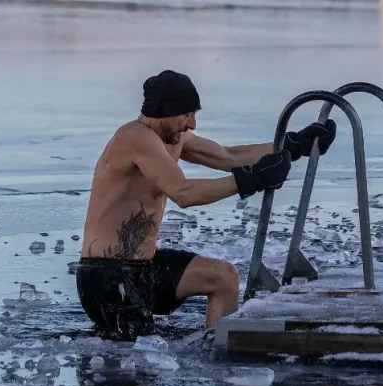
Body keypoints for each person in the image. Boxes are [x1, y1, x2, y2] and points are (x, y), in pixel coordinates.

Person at [76, 70, 337, 339]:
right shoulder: (134, 137)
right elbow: (184, 192)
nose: (192, 124)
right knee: (139, 349)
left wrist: (293, 145)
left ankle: (217, 351)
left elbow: (229, 156)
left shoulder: (174, 138)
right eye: (187, 115)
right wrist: (252, 179)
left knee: (223, 277)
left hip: (147, 267)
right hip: (106, 275)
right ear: (164, 110)